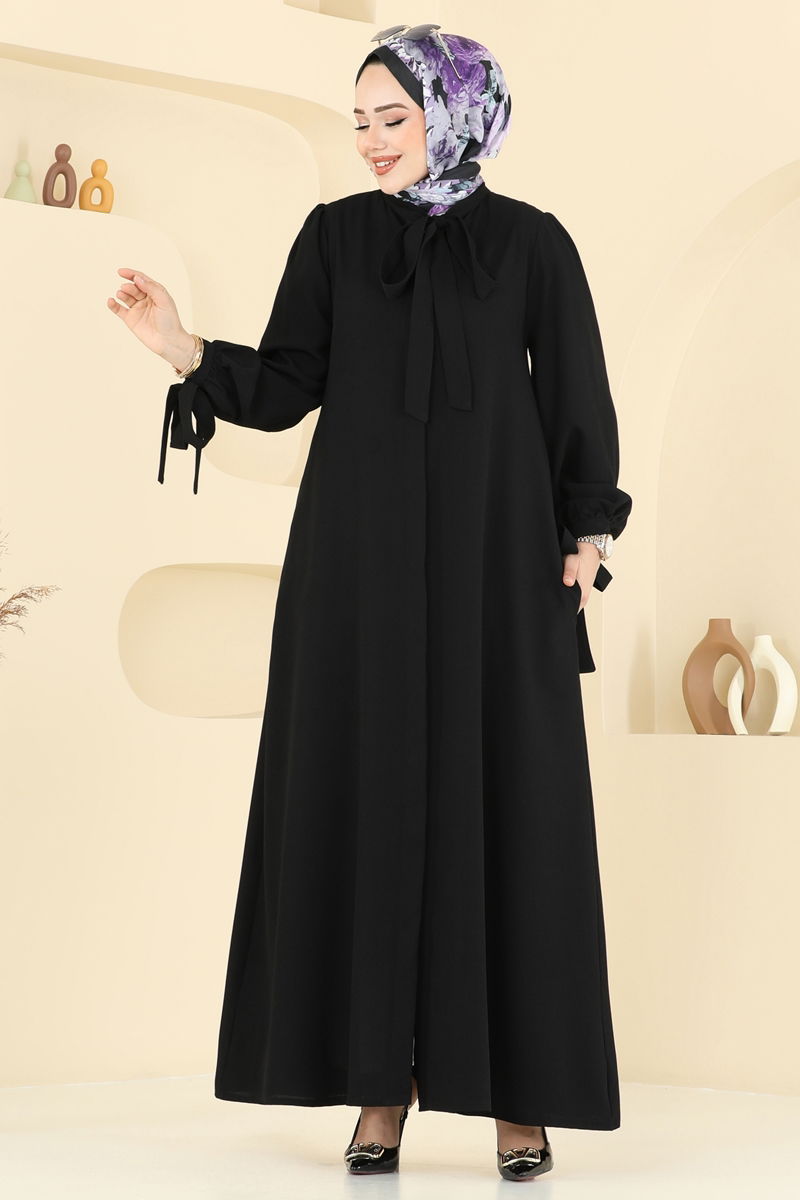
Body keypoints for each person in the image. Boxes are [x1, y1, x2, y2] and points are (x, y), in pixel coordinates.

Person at [107, 23, 632, 1183]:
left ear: (455, 114)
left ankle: (517, 1102)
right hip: (358, 568)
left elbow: (576, 395)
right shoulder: (334, 237)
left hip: (500, 566)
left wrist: (585, 533)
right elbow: (288, 383)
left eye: (393, 118)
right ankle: (376, 1092)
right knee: (366, 803)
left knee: (508, 808)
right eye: (359, 121)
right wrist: (182, 347)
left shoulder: (532, 244)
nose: (372, 140)